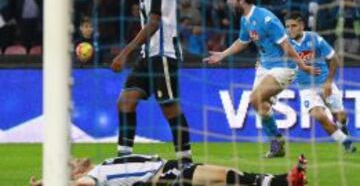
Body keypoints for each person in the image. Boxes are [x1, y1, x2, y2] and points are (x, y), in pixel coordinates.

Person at [203, 0, 319, 158]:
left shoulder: (265, 19)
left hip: (283, 66)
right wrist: (222, 55)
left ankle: (277, 141)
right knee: (259, 105)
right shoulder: (245, 19)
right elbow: (243, 42)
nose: (229, 1)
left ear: (242, 1)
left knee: (255, 97)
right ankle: (277, 142)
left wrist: (302, 66)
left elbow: (286, 45)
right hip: (264, 66)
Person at [110, 0, 192, 162]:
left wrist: (125, 53)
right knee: (125, 102)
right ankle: (124, 161)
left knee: (170, 109)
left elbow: (154, 23)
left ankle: (185, 162)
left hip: (163, 55)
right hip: (148, 55)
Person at [285, 12, 357, 153]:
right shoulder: (285, 43)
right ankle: (346, 142)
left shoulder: (314, 39)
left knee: (340, 117)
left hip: (324, 83)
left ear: (301, 25)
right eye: (287, 26)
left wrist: (329, 82)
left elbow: (334, 58)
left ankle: (343, 127)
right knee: (319, 115)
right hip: (306, 88)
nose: (290, 29)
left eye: (293, 25)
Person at [30, 153, 308, 186]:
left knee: (224, 176)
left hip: (166, 168)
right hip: (163, 176)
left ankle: (283, 180)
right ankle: (282, 181)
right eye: (72, 165)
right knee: (221, 177)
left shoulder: (101, 165)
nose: (77, 160)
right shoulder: (92, 177)